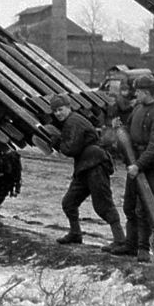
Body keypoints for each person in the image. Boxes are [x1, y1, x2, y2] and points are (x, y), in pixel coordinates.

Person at [49, 94, 126, 251]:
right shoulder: (70, 122)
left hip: (95, 165)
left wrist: (58, 142)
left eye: (60, 109)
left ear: (69, 107)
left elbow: (71, 149)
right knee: (69, 202)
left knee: (103, 204)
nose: (58, 113)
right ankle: (75, 233)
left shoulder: (73, 122)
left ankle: (120, 240)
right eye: (55, 111)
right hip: (84, 166)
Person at [111, 76, 154, 262]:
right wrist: (118, 130)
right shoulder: (138, 109)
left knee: (144, 209)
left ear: (146, 92)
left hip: (150, 168)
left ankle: (143, 249)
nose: (135, 94)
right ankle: (130, 245)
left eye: (138, 91)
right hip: (134, 162)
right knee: (129, 205)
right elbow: (128, 131)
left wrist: (138, 165)